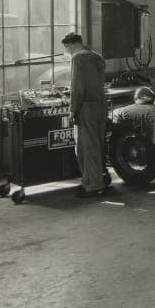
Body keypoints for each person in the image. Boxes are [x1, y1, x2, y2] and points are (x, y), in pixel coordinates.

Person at [61, 32, 108, 198]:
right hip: (100, 106)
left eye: (67, 48)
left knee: (86, 148)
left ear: (72, 45)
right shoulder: (96, 56)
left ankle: (93, 185)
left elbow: (78, 87)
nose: (67, 52)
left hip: (86, 108)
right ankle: (93, 181)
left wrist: (72, 109)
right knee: (96, 145)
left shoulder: (78, 58)